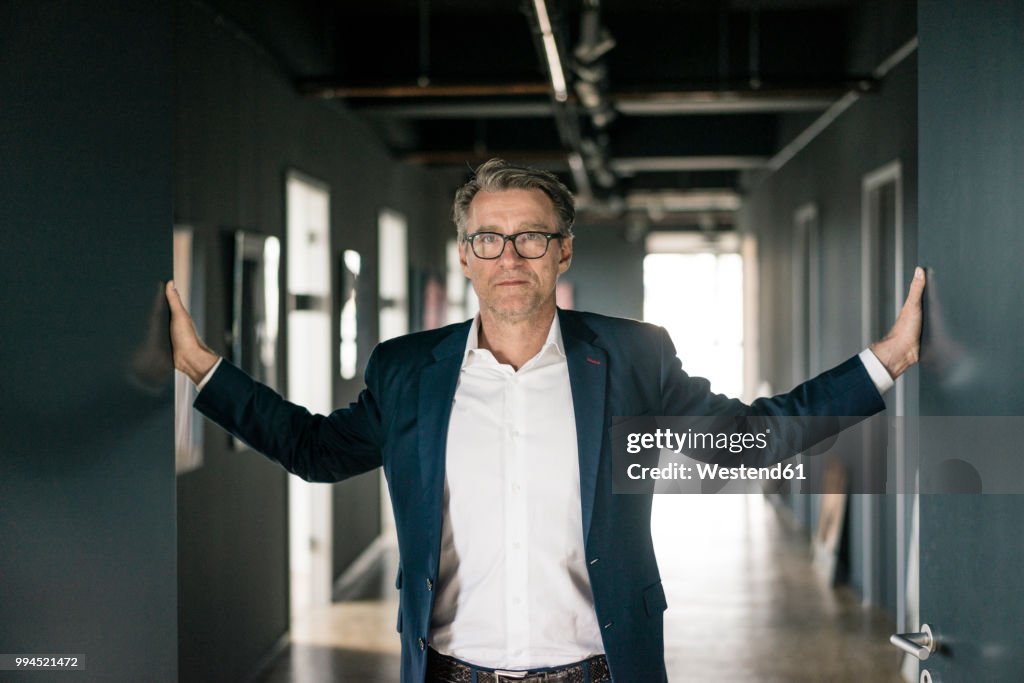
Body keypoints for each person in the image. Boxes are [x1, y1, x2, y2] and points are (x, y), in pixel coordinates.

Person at [166, 158, 925, 683]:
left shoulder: (630, 356)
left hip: (599, 669)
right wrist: (205, 368)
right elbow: (316, 448)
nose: (510, 257)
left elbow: (745, 442)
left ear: (562, 250)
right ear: (465, 256)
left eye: (531, 237)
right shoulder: (407, 371)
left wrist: (881, 361)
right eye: (489, 239)